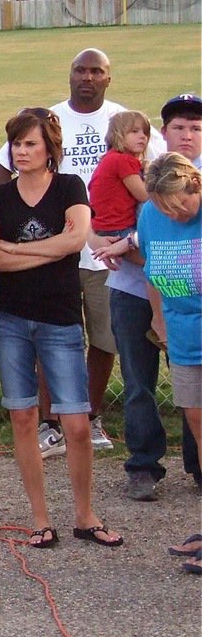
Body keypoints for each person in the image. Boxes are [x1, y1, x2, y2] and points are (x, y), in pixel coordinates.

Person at [0, 49, 166, 455]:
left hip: (110, 250)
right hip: (54, 255)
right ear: (69, 75)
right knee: (53, 333)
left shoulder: (124, 118)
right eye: (80, 70)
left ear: (108, 79)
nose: (87, 77)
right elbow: (1, 166)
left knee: (103, 339)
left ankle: (89, 414)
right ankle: (52, 421)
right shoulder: (50, 117)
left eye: (96, 71)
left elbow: (157, 170)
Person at [0, 110, 122, 550]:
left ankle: (85, 515)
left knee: (77, 424)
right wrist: (49, 249)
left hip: (60, 318)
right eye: (16, 144)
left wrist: (19, 247)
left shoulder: (69, 187)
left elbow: (77, 238)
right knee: (24, 418)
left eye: (30, 144)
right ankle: (41, 519)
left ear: (49, 149)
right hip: (9, 318)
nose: (22, 152)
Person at [89, 94, 202, 501]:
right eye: (178, 127)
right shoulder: (142, 170)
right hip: (136, 290)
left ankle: (197, 465)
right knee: (139, 382)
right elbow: (109, 219)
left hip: (188, 302)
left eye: (196, 128)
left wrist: (125, 245)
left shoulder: (190, 183)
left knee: (193, 388)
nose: (187, 135)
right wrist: (108, 240)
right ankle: (143, 465)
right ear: (163, 131)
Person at [138, 153, 202, 574]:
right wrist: (159, 321)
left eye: (180, 203)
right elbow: (151, 269)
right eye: (164, 205)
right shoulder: (150, 214)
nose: (173, 212)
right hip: (183, 340)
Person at [88, 111, 150, 238]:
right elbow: (144, 195)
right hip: (118, 228)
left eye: (145, 132)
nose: (142, 136)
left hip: (104, 227)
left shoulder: (112, 157)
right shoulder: (121, 160)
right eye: (134, 131)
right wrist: (150, 173)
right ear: (118, 135)